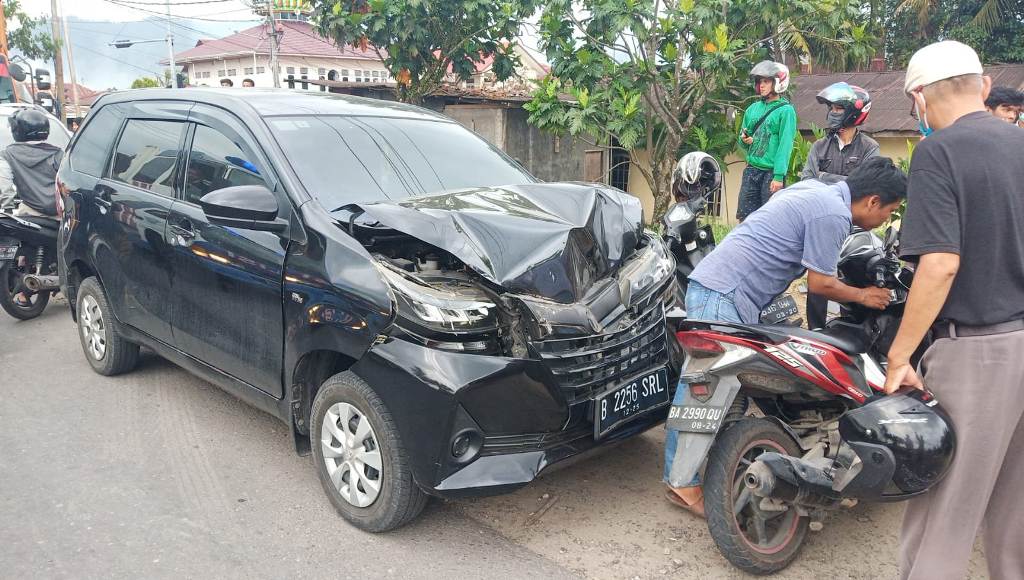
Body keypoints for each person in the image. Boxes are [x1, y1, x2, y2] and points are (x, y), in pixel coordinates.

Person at [663, 156, 904, 515]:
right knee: (705, 395)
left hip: (719, 286)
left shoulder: (813, 190)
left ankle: (697, 471)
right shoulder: (834, 216)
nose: (886, 220)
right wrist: (863, 295)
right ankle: (681, 483)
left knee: (718, 393)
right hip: (725, 294)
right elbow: (820, 284)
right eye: (890, 211)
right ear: (872, 201)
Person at [883, 40, 1024, 580]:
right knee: (1014, 516)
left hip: (978, 355)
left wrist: (900, 355)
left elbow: (939, 265)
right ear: (985, 86)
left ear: (918, 99)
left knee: (944, 510)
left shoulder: (939, 151)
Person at [800, 82, 880, 329]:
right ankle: (816, 330)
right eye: (831, 108)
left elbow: (865, 188)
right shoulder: (819, 146)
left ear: (855, 113)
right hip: (823, 224)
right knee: (820, 278)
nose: (832, 112)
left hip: (854, 228)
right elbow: (806, 183)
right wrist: (843, 184)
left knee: (856, 276)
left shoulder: (870, 148)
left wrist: (826, 181)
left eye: (837, 108)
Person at [0, 109, 64, 307]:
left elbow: (5, 188)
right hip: (59, 216)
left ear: (17, 131)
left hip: (29, 213)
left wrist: (6, 209)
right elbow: (67, 184)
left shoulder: (7, 155)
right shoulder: (58, 153)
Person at [736, 60, 798, 221]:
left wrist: (778, 176)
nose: (761, 85)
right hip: (751, 170)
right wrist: (745, 140)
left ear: (778, 82)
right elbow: (742, 138)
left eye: (766, 81)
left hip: (771, 174)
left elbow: (785, 145)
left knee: (769, 220)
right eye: (759, 82)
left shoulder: (786, 111)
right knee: (745, 219)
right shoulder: (752, 109)